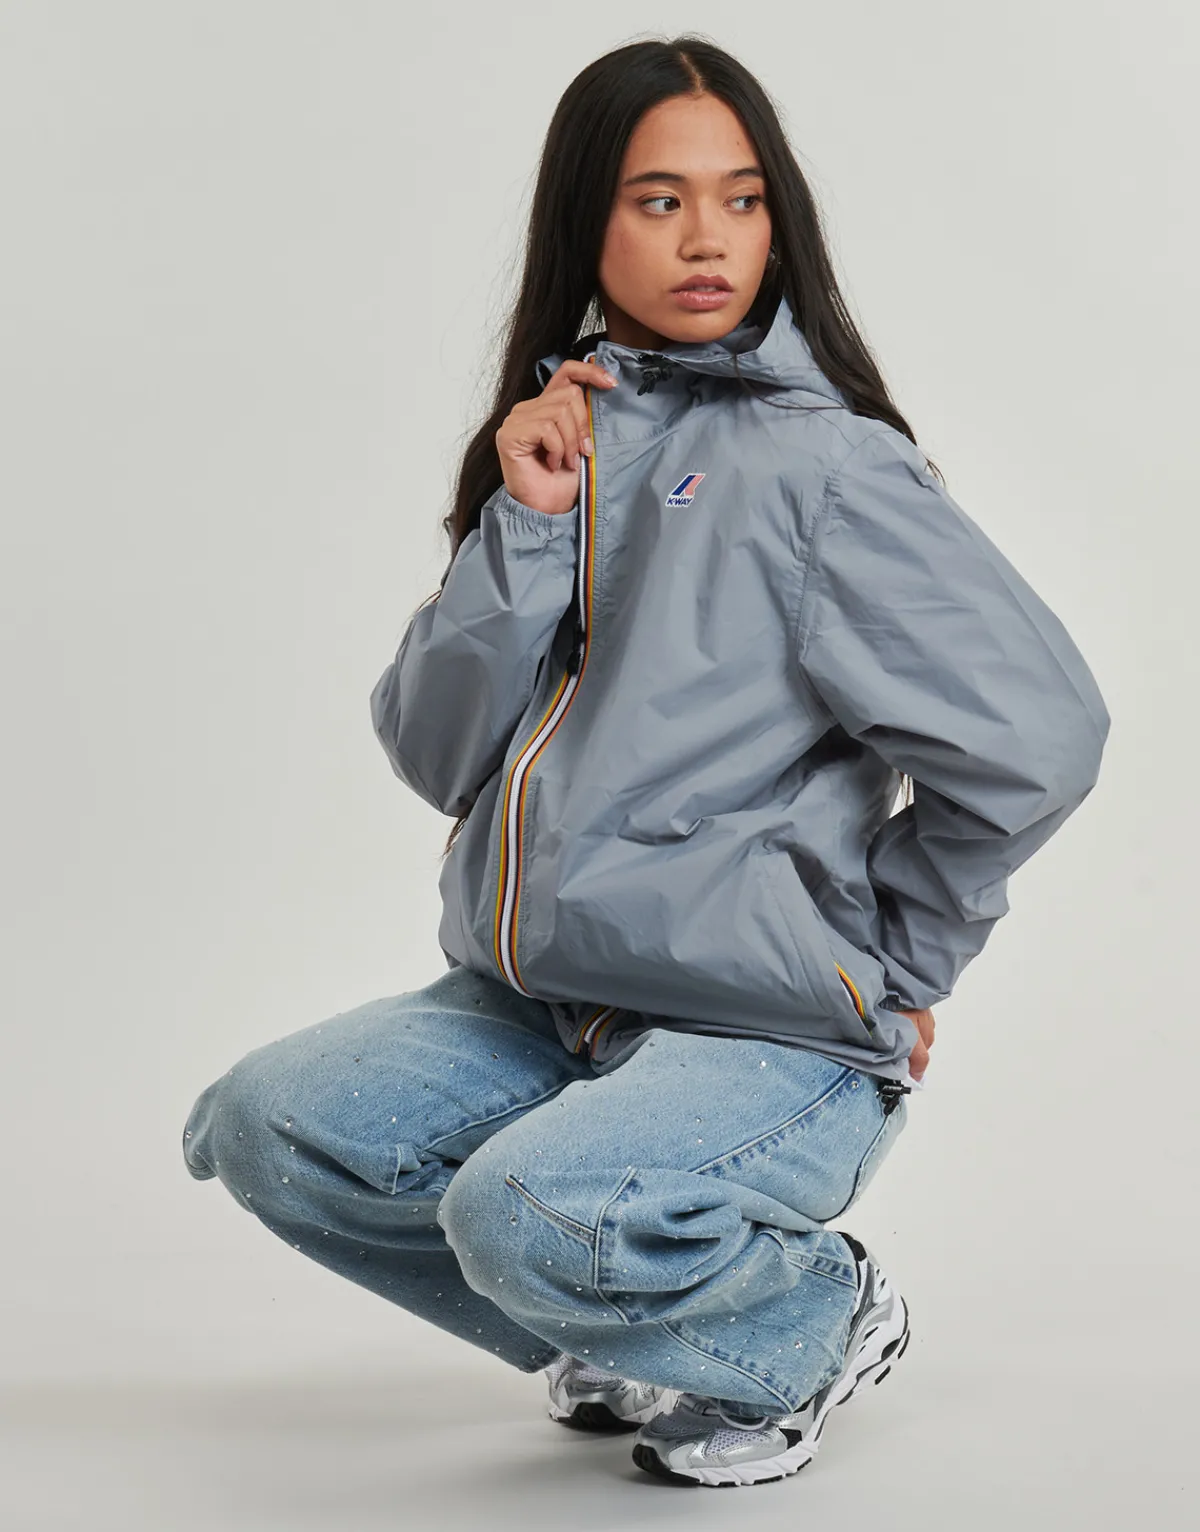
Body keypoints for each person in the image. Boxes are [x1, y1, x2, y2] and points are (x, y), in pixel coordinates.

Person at [181, 35, 1110, 1490]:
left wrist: (896, 960)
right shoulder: (563, 442)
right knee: (267, 1127)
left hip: (764, 1033)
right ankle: (629, 1330)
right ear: (588, 222)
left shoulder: (825, 468)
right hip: (544, 1004)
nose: (707, 240)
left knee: (526, 1210)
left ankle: (803, 1323)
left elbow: (1039, 737)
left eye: (741, 200)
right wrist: (529, 520)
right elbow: (434, 749)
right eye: (659, 200)